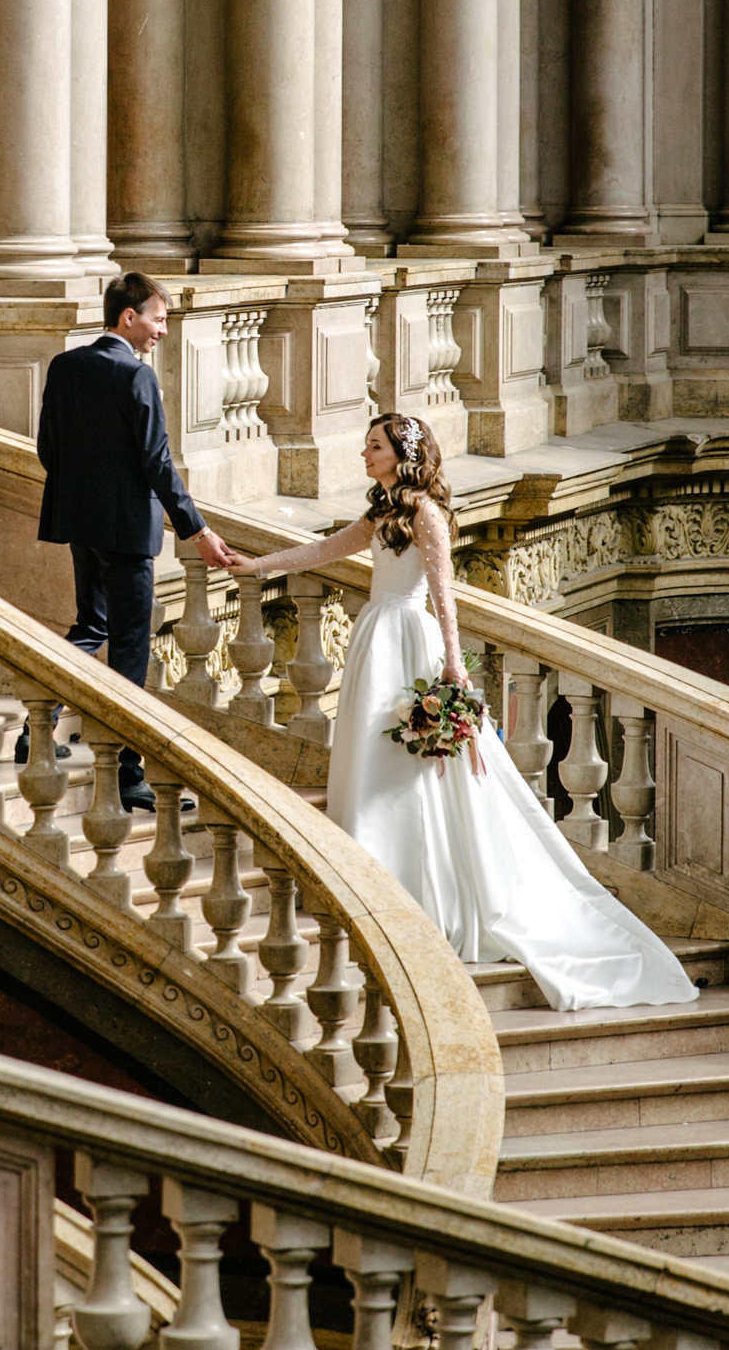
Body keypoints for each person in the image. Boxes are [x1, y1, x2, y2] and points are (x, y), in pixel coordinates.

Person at [233, 412, 694, 1012]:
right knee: (372, 758)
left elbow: (443, 592)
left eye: (373, 446)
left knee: (413, 767)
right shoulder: (384, 510)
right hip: (377, 637)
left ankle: (415, 895)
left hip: (409, 640)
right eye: (367, 445)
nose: (364, 454)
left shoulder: (425, 513)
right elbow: (326, 548)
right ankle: (371, 885)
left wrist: (453, 665)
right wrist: (256, 567)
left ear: (402, 454)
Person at [36, 273, 238, 816]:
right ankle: (126, 775)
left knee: (90, 627)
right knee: (129, 647)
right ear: (129, 317)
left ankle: (37, 730)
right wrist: (198, 529)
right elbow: (158, 463)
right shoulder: (136, 376)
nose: (163, 333)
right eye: (159, 319)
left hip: (81, 524)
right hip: (127, 533)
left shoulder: (64, 366)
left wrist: (85, 501)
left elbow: (47, 450)